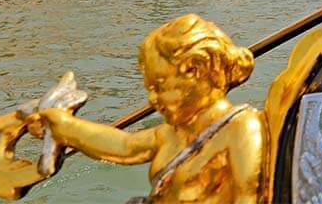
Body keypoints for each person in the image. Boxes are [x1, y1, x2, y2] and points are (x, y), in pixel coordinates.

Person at [38, 13, 264, 202]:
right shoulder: (174, 132)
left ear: (195, 71)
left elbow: (248, 196)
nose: (152, 99)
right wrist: (63, 125)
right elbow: (124, 146)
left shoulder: (242, 128)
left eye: (159, 87)